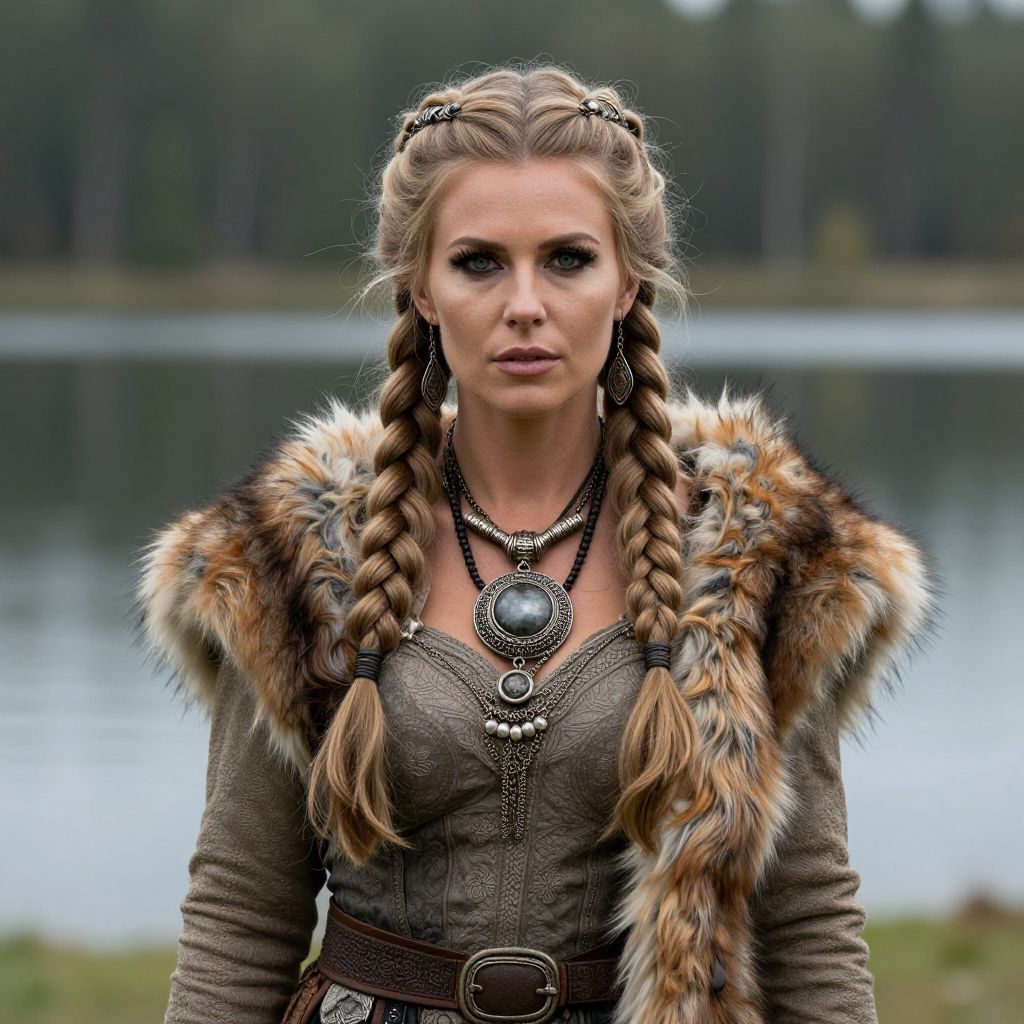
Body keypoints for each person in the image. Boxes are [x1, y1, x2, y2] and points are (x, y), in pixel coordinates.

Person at [135, 64, 935, 1024]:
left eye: (567, 259)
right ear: (421, 288)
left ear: (627, 279)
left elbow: (806, 917)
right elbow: (238, 911)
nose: (524, 304)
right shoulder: (300, 552)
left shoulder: (747, 554)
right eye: (478, 262)